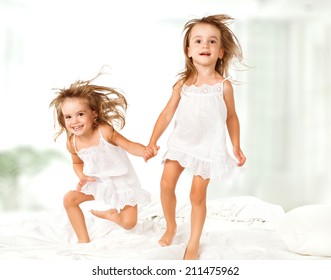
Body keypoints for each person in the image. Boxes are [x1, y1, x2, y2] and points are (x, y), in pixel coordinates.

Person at [146, 14, 247, 260]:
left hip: (208, 148)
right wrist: (152, 141)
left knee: (196, 195)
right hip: (182, 144)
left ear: (221, 52)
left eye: (212, 42)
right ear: (189, 50)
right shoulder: (182, 84)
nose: (205, 45)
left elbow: (231, 117)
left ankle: (193, 241)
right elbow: (166, 113)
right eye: (199, 41)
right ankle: (171, 225)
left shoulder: (224, 86)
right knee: (166, 184)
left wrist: (236, 146)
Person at [50, 71, 152, 243]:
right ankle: (83, 240)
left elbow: (129, 145)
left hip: (122, 181)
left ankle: (113, 215)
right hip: (97, 181)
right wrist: (83, 177)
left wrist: (144, 151)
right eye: (68, 117)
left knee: (129, 224)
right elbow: (76, 163)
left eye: (80, 114)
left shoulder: (104, 132)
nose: (74, 121)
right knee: (69, 199)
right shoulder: (72, 143)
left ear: (94, 114)